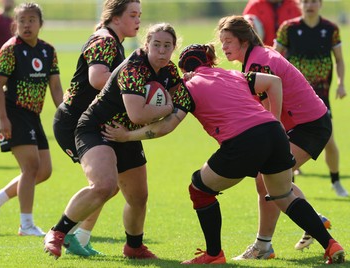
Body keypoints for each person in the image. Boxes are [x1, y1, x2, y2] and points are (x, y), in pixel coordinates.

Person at [101, 43, 345, 265]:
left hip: (243, 140)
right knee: (283, 194)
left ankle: (214, 254)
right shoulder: (233, 74)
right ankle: (331, 245)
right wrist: (276, 119)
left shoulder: (187, 86)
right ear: (210, 62)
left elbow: (166, 126)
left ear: (185, 70)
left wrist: (127, 136)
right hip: (275, 133)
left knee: (199, 189)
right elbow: (274, 82)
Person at [43, 22, 180, 260]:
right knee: (104, 185)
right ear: (146, 45)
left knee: (139, 197)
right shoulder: (134, 68)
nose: (161, 51)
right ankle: (58, 232)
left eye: (167, 46)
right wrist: (168, 107)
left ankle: (134, 247)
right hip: (95, 128)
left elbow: (182, 102)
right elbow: (138, 114)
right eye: (156, 44)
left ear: (173, 48)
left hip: (125, 133)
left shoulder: (170, 72)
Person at [217, 15, 335, 259]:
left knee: (266, 179)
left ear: (244, 40)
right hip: (307, 124)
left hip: (310, 126)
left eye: (228, 41)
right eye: (222, 42)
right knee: (271, 179)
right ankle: (314, 222)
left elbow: (273, 90)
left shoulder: (259, 62)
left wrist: (273, 129)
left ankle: (264, 246)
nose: (224, 47)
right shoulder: (257, 57)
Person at [52, 0, 142, 257]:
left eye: (140, 15)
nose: (138, 20)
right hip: (74, 123)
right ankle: (63, 233)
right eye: (132, 15)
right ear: (115, 18)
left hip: (93, 122)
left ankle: (79, 236)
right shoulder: (104, 40)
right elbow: (98, 77)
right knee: (104, 184)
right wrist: (139, 86)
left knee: (108, 186)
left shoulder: (114, 41)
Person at [0, 2, 63, 237]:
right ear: (16, 24)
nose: (26, 25)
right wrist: (3, 118)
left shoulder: (48, 51)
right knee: (31, 166)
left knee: (44, 171)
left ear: (40, 24)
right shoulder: (10, 49)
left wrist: (65, 114)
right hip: (13, 113)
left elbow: (55, 88)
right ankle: (26, 224)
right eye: (22, 20)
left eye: (31, 20)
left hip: (33, 115)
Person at [274, 0, 348, 198]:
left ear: (321, 4)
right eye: (306, 1)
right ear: (300, 4)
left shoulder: (330, 29)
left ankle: (336, 182)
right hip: (292, 95)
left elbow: (339, 60)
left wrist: (341, 83)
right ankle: (288, 185)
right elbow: (274, 57)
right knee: (287, 140)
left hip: (320, 95)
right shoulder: (288, 28)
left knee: (329, 141)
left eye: (314, 1)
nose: (310, 5)